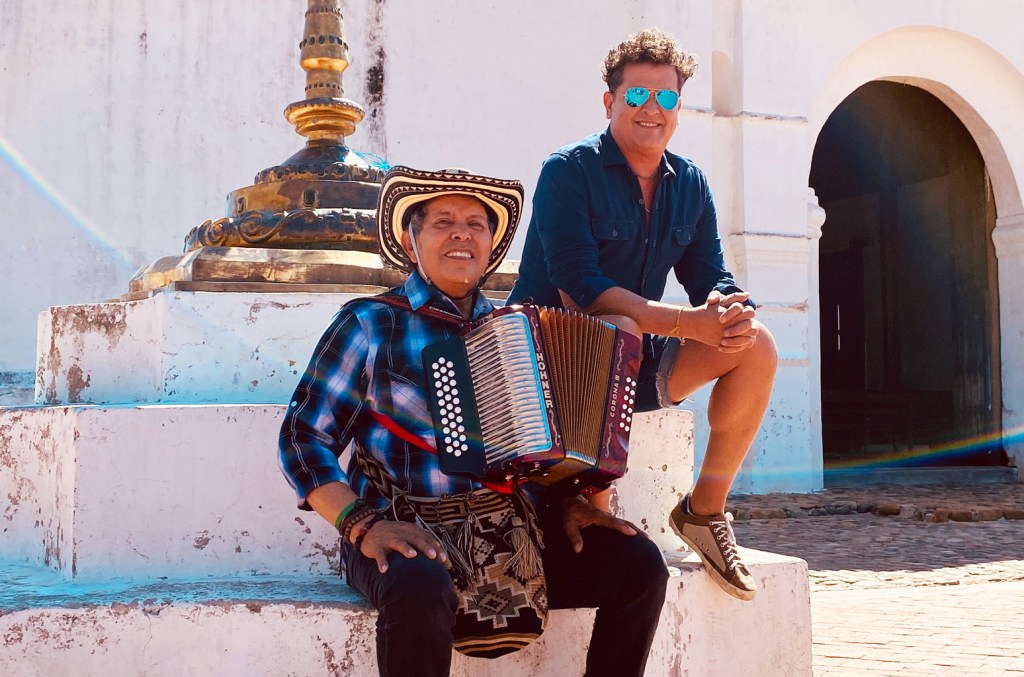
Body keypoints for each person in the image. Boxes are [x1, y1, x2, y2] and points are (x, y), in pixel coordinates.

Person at [279, 166, 669, 677]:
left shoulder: (519, 331)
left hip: (509, 533)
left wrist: (573, 499)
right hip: (404, 528)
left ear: (490, 245)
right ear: (409, 238)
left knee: (638, 564)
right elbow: (302, 436)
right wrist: (361, 524)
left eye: (476, 224)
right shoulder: (370, 322)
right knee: (418, 583)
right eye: (443, 221)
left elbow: (545, 446)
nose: (462, 233)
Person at [509, 28, 779, 602]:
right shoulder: (567, 171)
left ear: (679, 109)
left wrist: (732, 310)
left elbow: (711, 276)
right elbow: (582, 287)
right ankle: (594, 510)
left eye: (665, 97)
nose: (650, 108)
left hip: (631, 361)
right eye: (635, 96)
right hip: (542, 364)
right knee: (618, 328)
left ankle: (705, 511)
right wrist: (686, 324)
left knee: (756, 345)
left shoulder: (691, 185)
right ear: (609, 102)